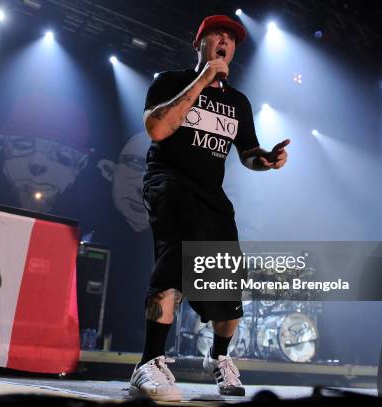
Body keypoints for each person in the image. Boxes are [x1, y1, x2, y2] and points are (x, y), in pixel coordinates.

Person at [129, 15, 289, 401]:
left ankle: (218, 358)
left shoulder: (238, 103)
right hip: (168, 181)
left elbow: (247, 153)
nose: (225, 42)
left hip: (210, 193)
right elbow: (157, 129)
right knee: (175, 260)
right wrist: (202, 80)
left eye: (231, 39)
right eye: (217, 35)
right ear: (199, 43)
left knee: (228, 282)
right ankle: (149, 361)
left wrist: (264, 159)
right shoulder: (168, 81)